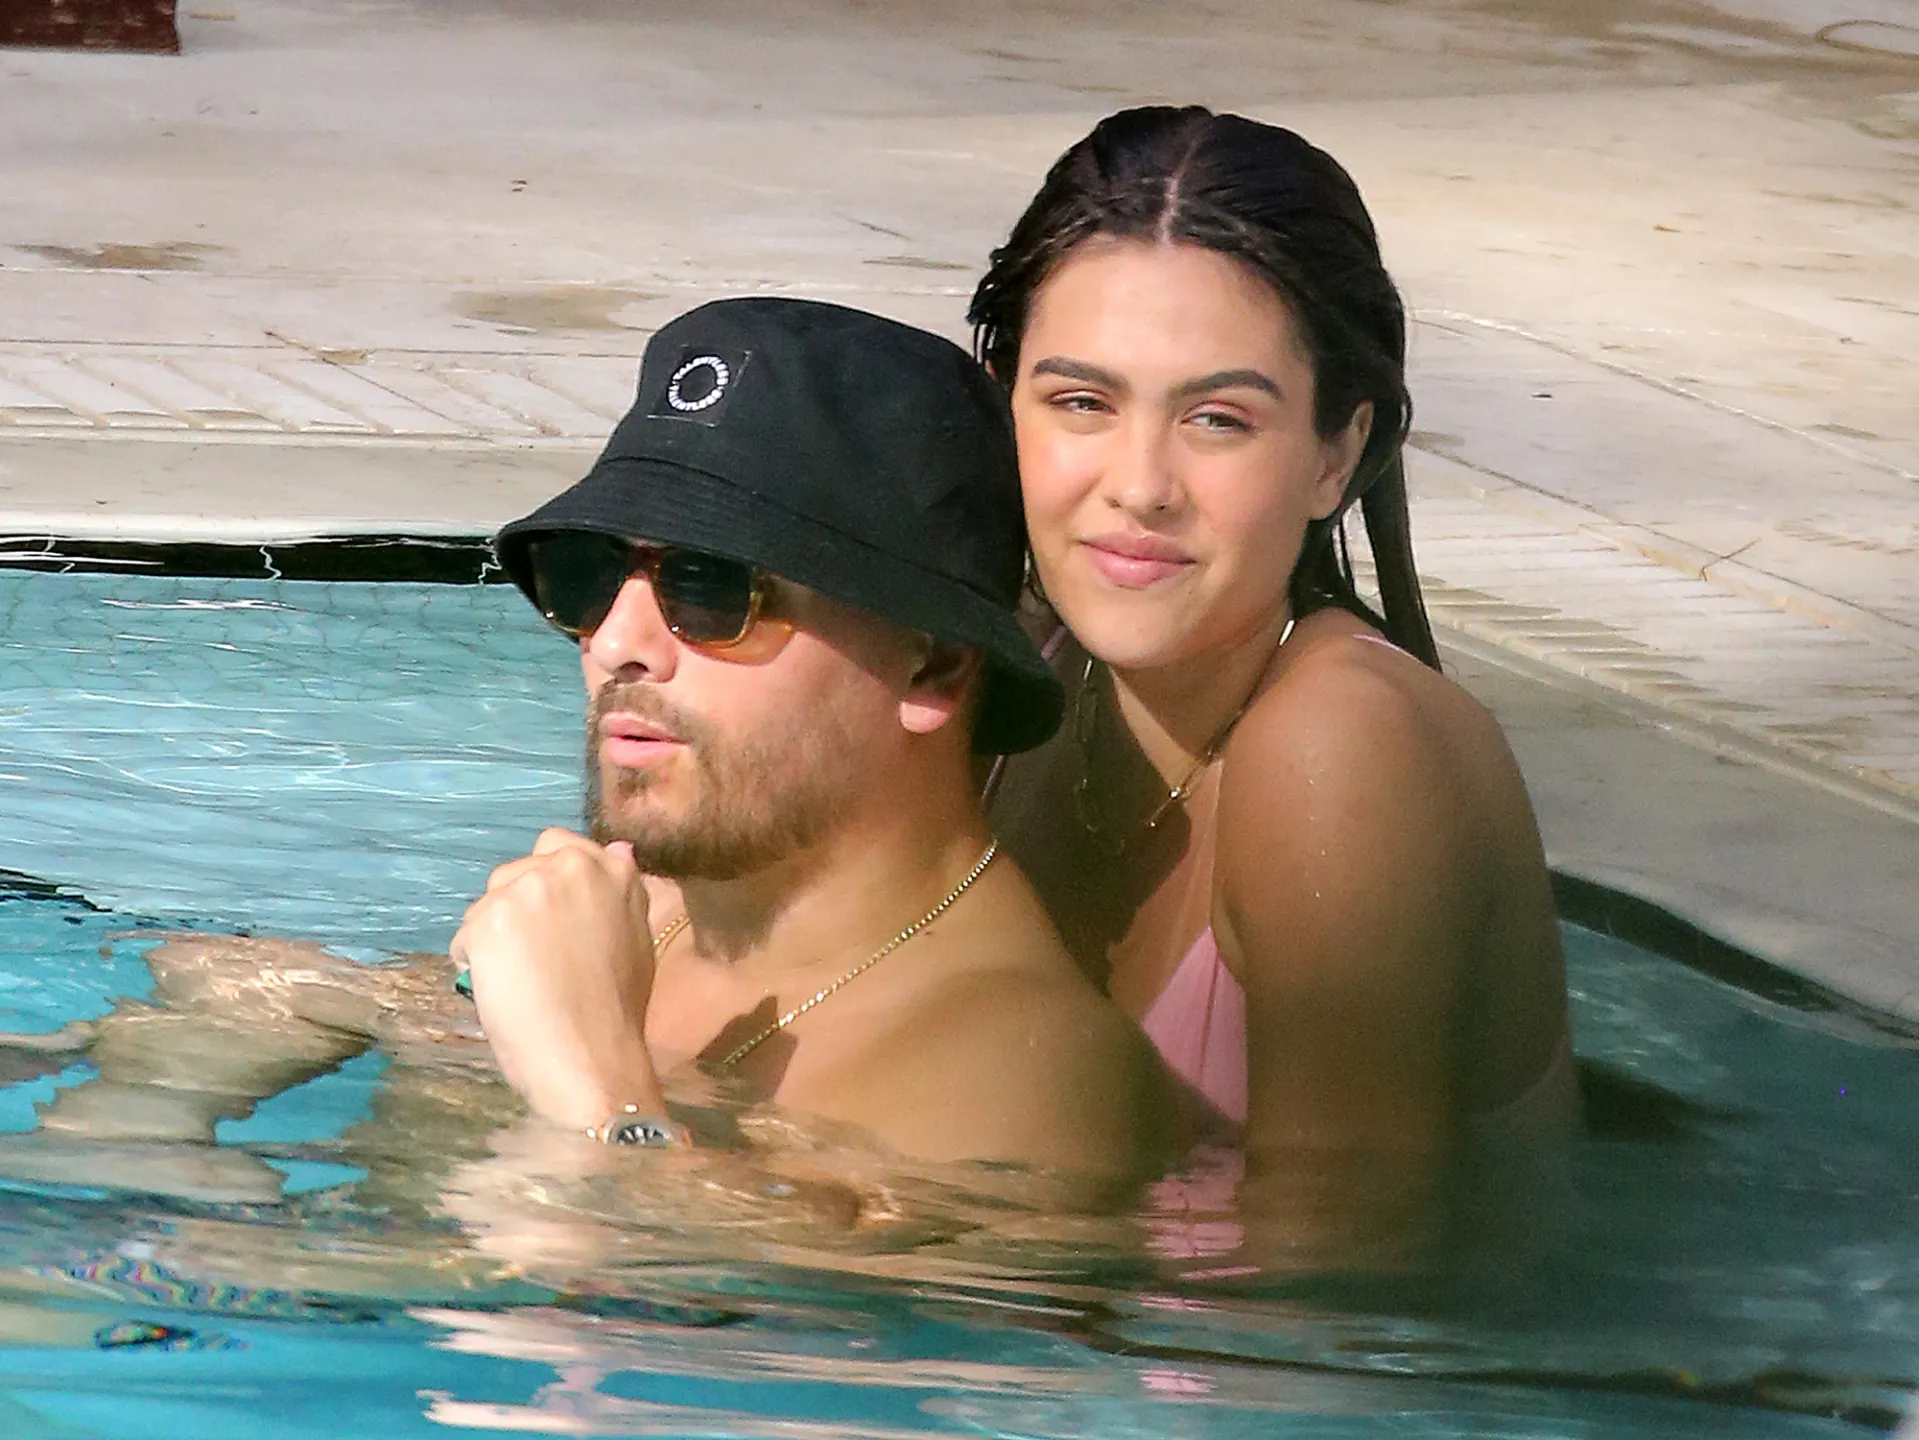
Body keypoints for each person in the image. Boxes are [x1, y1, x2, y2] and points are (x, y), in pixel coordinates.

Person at [968, 106, 1577, 1262]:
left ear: (1334, 456)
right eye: (1081, 402)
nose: (1138, 486)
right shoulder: (1018, 672)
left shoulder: (1338, 749)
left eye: (1217, 419)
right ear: (1004, 404)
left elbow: (1324, 1292)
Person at [461, 295, 1166, 1182]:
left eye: (709, 589)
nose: (614, 644)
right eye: (588, 576)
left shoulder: (1026, 1085)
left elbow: (644, 1271)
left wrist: (599, 1096)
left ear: (932, 668)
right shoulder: (659, 907)